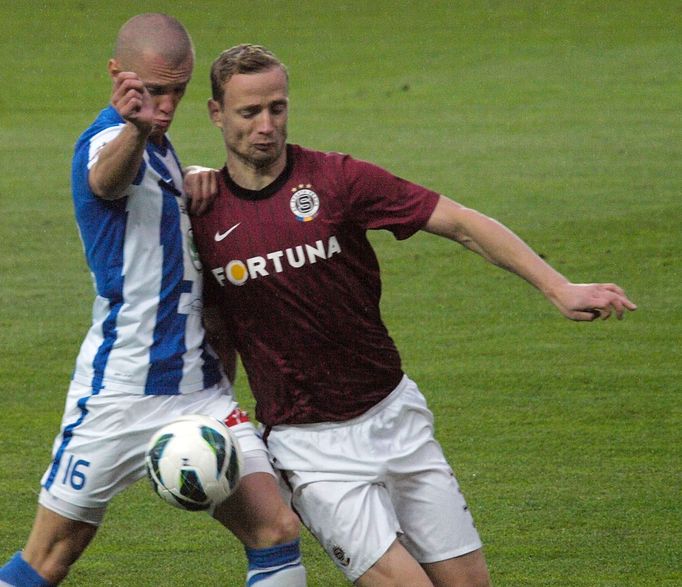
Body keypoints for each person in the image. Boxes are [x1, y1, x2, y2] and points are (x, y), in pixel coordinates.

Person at [186, 44, 638, 587]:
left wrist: (558, 287)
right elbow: (212, 326)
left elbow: (461, 223)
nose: (266, 125)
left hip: (396, 417)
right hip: (312, 449)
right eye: (248, 112)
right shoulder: (200, 213)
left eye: (277, 108)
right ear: (216, 113)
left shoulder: (337, 180)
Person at [0, 19, 306, 587]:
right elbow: (105, 183)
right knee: (49, 558)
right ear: (118, 75)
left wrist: (192, 175)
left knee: (276, 531)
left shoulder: (162, 148)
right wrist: (135, 133)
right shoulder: (108, 142)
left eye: (178, 92)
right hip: (119, 391)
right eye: (154, 91)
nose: (165, 106)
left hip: (198, 390)